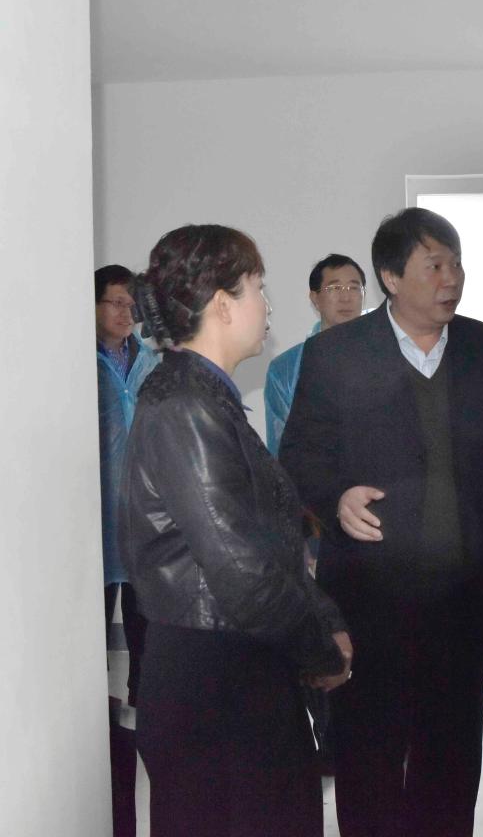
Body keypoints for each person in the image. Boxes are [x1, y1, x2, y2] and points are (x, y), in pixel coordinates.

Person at [279, 207, 483, 837]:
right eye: (434, 265)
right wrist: (335, 496)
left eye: (456, 264)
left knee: (450, 767)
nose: (451, 278)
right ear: (391, 277)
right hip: (369, 604)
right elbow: (298, 458)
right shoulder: (335, 354)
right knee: (368, 764)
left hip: (461, 605)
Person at [120, 224, 352, 837]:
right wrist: (320, 652)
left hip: (236, 666)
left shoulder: (206, 398)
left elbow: (268, 539)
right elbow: (243, 572)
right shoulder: (185, 406)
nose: (267, 304)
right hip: (215, 680)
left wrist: (323, 614)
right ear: (223, 305)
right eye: (257, 287)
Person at [95, 264, 160, 707]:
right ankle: (97, 703)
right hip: (94, 504)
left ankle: (143, 698)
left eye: (132, 305)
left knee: (144, 612)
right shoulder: (76, 362)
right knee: (94, 613)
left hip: (143, 504)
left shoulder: (150, 361)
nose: (125, 313)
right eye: (116, 303)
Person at [265, 253, 366, 456]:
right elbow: (280, 450)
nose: (346, 297)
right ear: (315, 298)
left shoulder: (388, 355)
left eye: (354, 288)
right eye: (334, 288)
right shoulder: (286, 369)